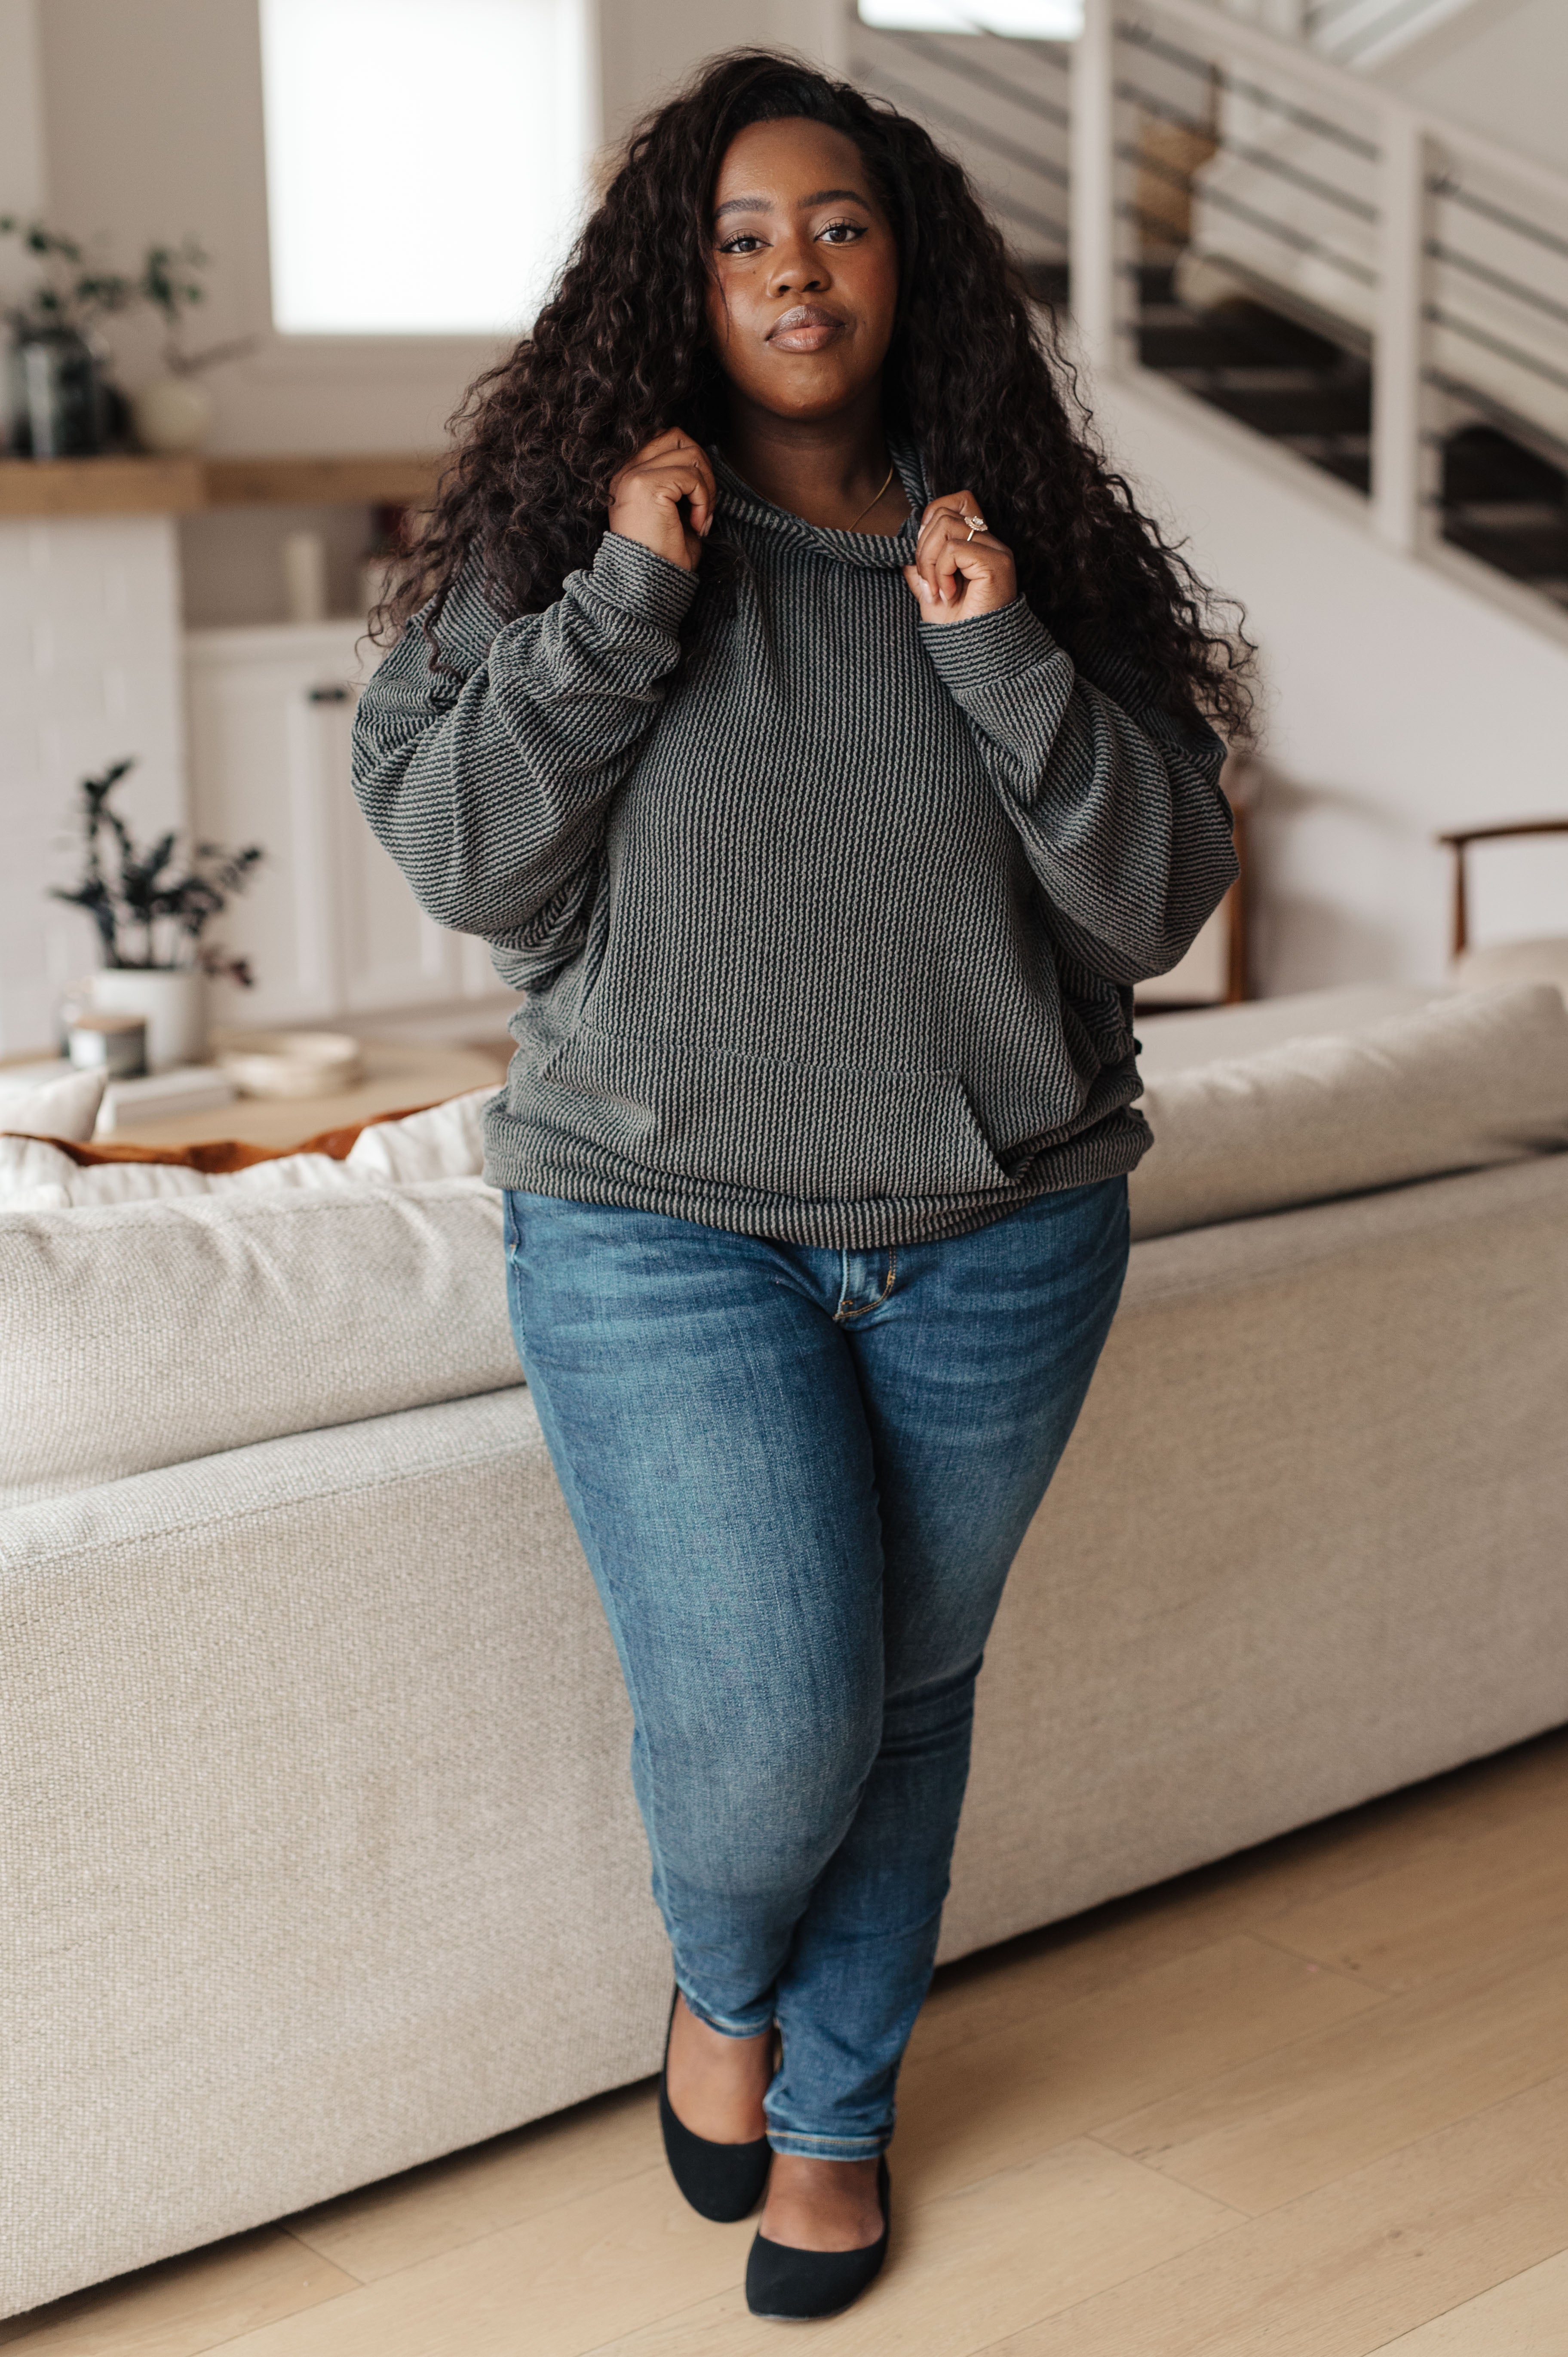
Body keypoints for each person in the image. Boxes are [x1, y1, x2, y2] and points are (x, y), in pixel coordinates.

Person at [353, 48, 1245, 2323]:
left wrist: (999, 649)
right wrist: (622, 610)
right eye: (741, 234)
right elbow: (468, 859)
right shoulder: (575, 539)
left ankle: (838, 2124)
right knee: (775, 1723)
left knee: (915, 1687)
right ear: (678, 277)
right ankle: (722, 1995)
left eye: (834, 223)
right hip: (660, 1221)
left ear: (906, 259)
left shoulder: (1018, 546)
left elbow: (1152, 903)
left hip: (999, 1231)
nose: (790, 268)